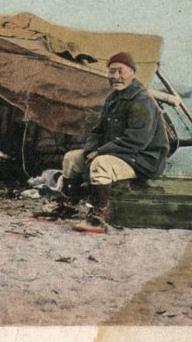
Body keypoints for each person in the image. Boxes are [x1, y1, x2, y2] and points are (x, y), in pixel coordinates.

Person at [37, 52, 169, 232]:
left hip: (144, 160)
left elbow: (137, 141)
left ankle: (99, 216)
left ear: (132, 73)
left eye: (121, 71)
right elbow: (97, 131)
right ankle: (68, 205)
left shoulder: (142, 101)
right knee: (71, 158)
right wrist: (90, 151)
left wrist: (100, 152)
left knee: (101, 163)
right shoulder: (113, 98)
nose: (116, 76)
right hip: (120, 154)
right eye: (112, 72)